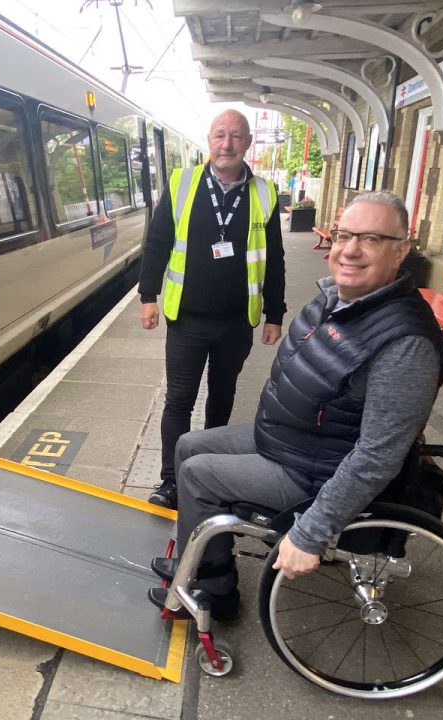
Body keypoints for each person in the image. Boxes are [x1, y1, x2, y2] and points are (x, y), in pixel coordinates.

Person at [148, 191, 443, 620]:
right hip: (295, 441)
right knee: (189, 446)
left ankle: (216, 591)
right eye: (344, 234)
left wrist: (312, 531)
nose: (350, 249)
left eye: (371, 239)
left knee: (198, 475)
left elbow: (378, 457)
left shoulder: (405, 344)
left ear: (400, 250)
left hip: (317, 471)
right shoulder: (337, 299)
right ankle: (197, 557)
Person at [137, 109, 286, 510]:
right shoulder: (183, 183)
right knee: (179, 401)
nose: (227, 143)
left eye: (236, 136)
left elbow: (274, 259)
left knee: (222, 397)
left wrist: (275, 313)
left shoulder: (264, 192)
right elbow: (157, 243)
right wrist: (147, 296)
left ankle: (206, 475)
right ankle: (170, 481)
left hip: (237, 322)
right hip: (187, 320)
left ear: (248, 142)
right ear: (209, 139)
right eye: (220, 135)